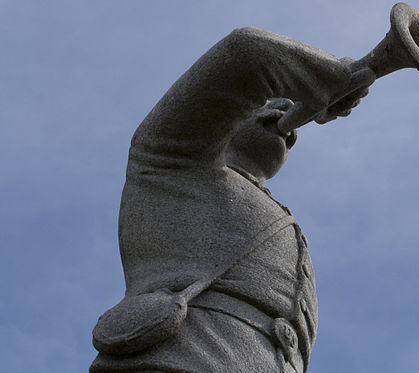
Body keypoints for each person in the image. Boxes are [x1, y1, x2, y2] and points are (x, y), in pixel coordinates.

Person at [91, 27, 374, 373]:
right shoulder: (169, 164)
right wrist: (324, 75)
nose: (287, 110)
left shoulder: (278, 215)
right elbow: (245, 54)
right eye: (266, 103)